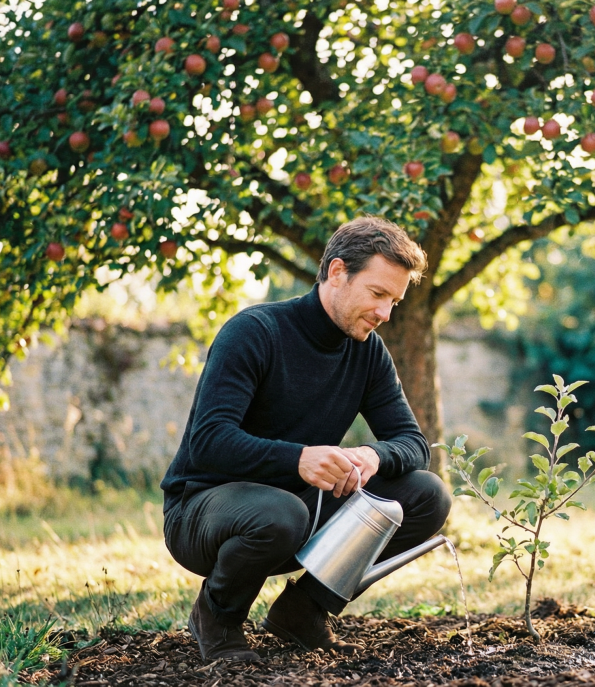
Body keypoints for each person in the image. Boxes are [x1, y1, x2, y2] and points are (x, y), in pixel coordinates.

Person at [160, 217, 452, 662]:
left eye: (394, 301)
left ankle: (304, 609)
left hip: (299, 509)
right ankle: (216, 616)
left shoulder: (367, 350)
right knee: (280, 513)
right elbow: (209, 442)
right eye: (378, 295)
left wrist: (374, 455)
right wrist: (298, 460)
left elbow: (412, 443)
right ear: (337, 272)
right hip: (204, 511)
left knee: (427, 495)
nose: (385, 314)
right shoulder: (255, 332)